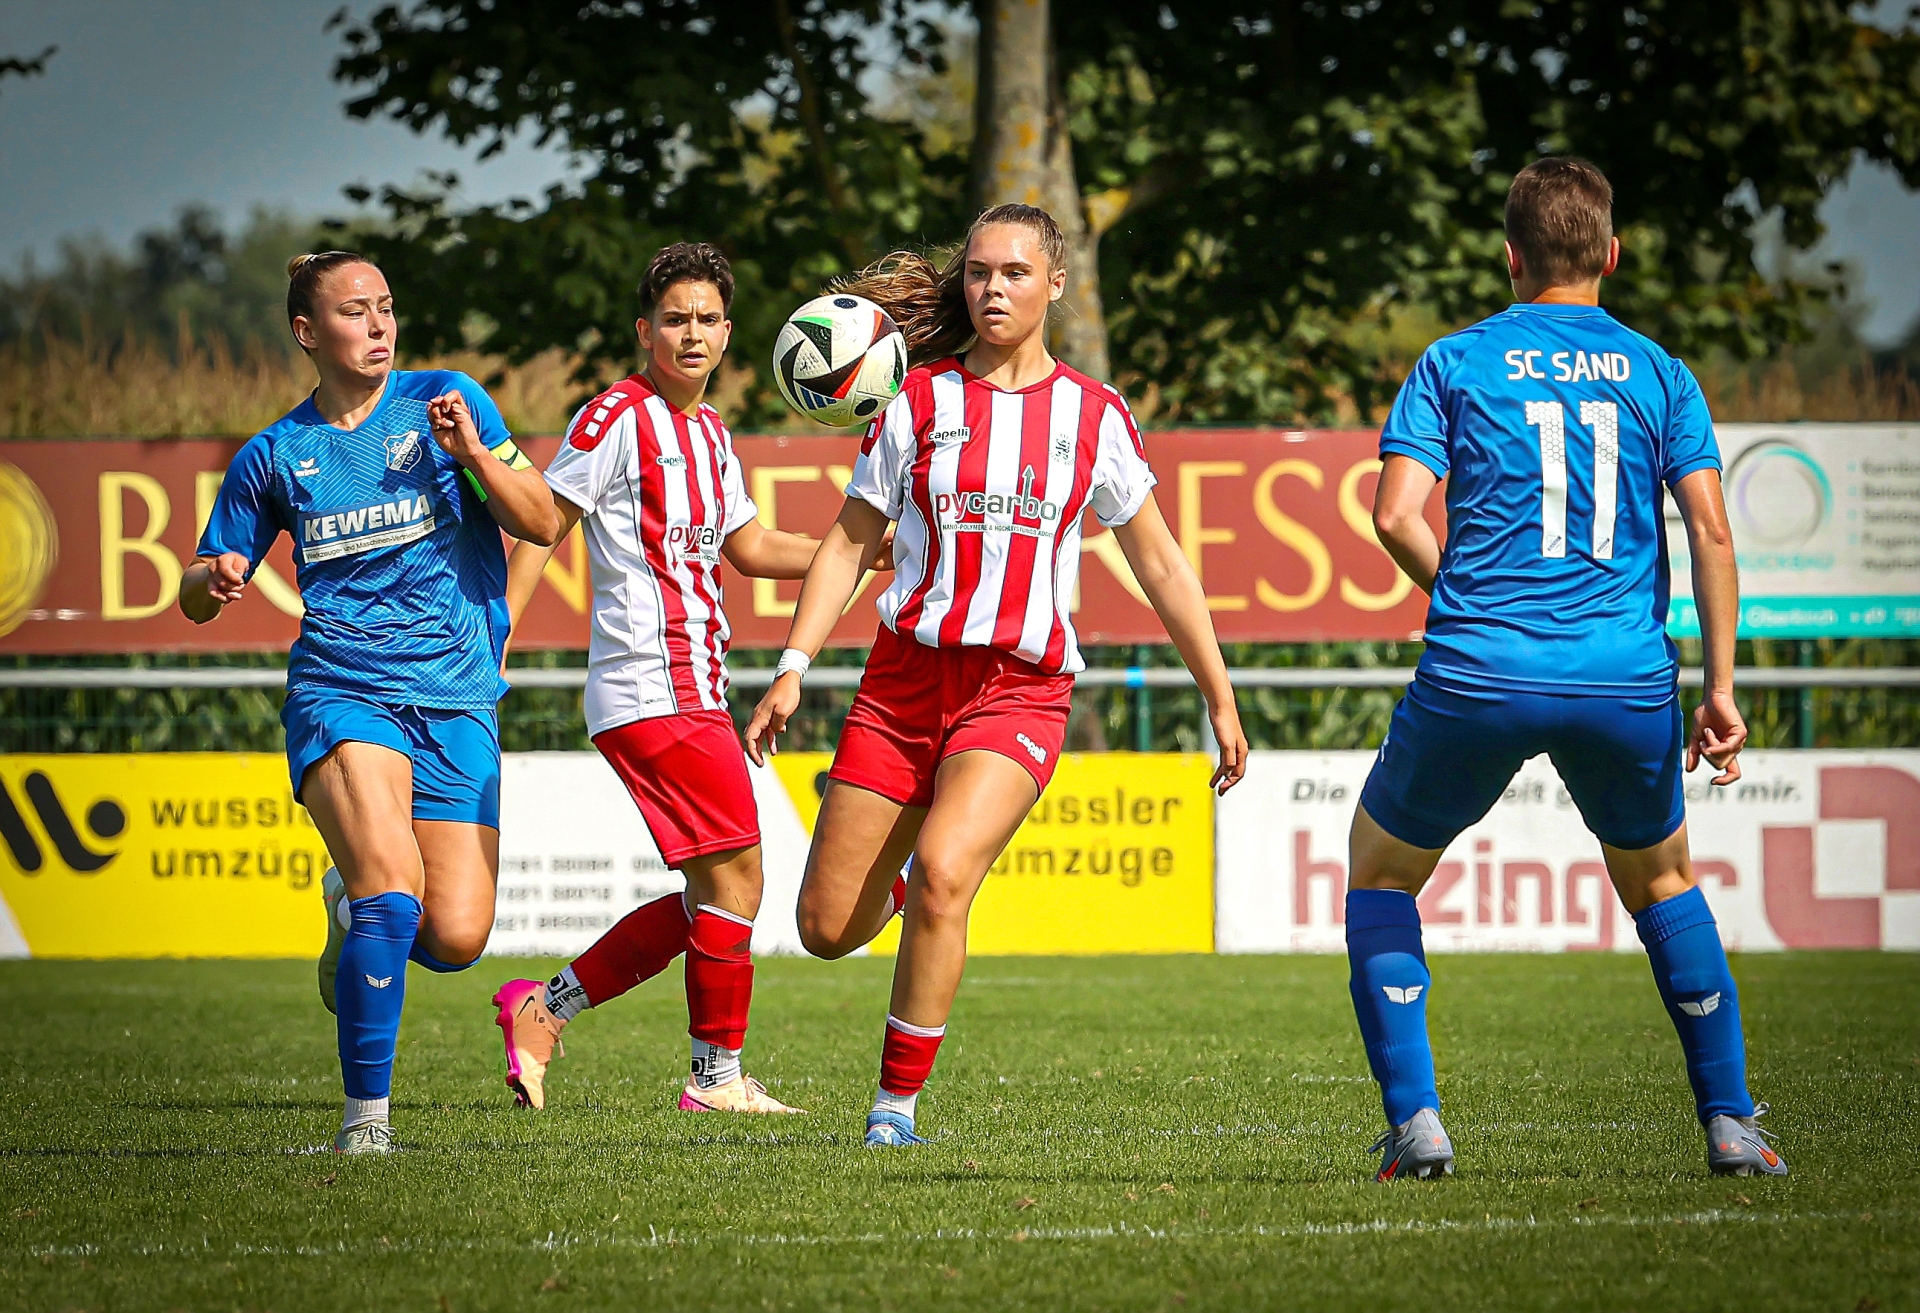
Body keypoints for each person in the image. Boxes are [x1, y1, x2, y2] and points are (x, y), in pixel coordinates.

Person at [743, 203, 1249, 1148]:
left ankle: (893, 1108)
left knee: (945, 873)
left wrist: (1219, 696)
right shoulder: (914, 399)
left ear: (1055, 283)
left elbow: (1163, 564)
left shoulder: (1094, 415)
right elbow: (849, 542)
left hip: (1018, 688)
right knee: (824, 927)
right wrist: (792, 666)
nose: (992, 289)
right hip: (902, 681)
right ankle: (910, 898)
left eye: (1014, 273)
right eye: (978, 272)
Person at [1349, 157, 1786, 1181]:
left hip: (1480, 668)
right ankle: (1729, 1120)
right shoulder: (1660, 372)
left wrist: (1465, 596)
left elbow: (1395, 515)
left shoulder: (1455, 360)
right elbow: (1712, 533)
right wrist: (1720, 689)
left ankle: (1418, 1123)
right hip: (1622, 676)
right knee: (1663, 881)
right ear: (1612, 255)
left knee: (1380, 871)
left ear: (1511, 257)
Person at [182, 251, 561, 1154]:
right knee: (393, 893)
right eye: (355, 311)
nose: (379, 323)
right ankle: (366, 1125)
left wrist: (473, 454)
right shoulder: (276, 453)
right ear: (308, 332)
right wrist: (215, 575)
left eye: (386, 306)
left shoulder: (448, 401)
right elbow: (193, 593)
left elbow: (544, 521)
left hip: (458, 695)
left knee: (457, 934)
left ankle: (346, 914)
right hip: (344, 689)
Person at [490, 242, 851, 1116]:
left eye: (707, 320)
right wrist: (492, 641)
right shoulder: (616, 417)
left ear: (728, 334)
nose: (692, 334)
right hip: (648, 684)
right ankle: (715, 1078)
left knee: (712, 895)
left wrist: (858, 553)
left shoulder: (711, 433)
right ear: (644, 330)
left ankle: (542, 1009)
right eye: (675, 319)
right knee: (741, 882)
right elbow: (541, 525)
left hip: (693, 686)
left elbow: (750, 547)